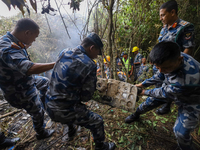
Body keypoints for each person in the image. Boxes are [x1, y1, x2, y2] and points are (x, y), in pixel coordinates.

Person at [45, 33, 116, 150]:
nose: (96, 56)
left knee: (68, 100)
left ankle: (71, 129)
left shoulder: (64, 51)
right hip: (63, 111)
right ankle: (101, 147)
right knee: (98, 121)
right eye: (97, 53)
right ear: (92, 48)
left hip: (48, 105)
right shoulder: (89, 64)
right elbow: (85, 97)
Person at [125, 41, 200, 150]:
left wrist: (143, 92)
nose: (161, 71)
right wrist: (142, 84)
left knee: (180, 133)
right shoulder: (170, 58)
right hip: (172, 89)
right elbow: (160, 75)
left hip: (191, 100)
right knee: (146, 104)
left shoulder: (188, 78)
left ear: (179, 60)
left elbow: (164, 93)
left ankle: (185, 147)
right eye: (157, 67)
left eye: (165, 68)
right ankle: (136, 114)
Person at [0, 18, 55, 141]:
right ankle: (41, 133)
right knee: (37, 111)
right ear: (27, 33)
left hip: (25, 80)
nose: (34, 40)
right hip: (18, 90)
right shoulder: (6, 47)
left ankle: (46, 106)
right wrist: (55, 64)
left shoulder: (15, 41)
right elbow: (29, 68)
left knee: (45, 82)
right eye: (34, 37)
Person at [156, 0, 195, 115]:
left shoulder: (185, 27)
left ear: (172, 12)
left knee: (172, 86)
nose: (161, 18)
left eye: (163, 15)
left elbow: (188, 48)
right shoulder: (164, 28)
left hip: (173, 65)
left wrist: (179, 66)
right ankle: (163, 102)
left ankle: (168, 105)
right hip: (162, 64)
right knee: (161, 84)